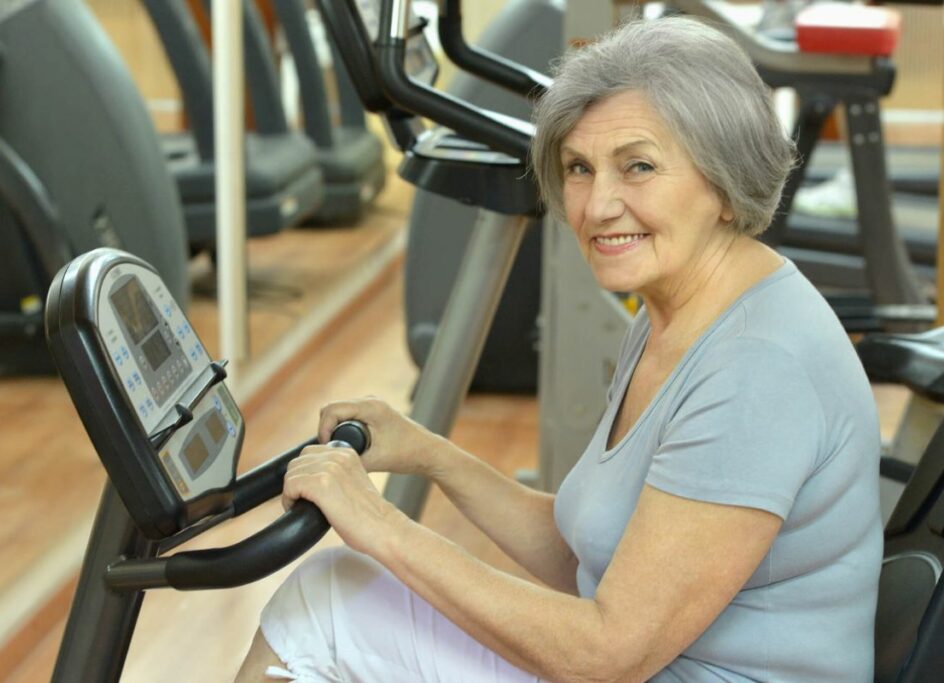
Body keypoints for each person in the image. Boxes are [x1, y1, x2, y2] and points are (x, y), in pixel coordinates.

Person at [236, 16, 882, 683]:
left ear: (723, 180)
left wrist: (376, 523)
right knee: (332, 591)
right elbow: (588, 554)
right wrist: (427, 453)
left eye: (638, 166)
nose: (599, 204)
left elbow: (608, 653)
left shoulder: (758, 368)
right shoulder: (680, 306)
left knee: (329, 603)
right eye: (579, 167)